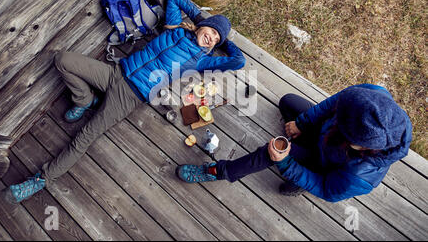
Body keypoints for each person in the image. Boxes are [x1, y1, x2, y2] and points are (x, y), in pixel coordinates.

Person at [5, 0, 246, 203]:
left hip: (130, 95)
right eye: (212, 31)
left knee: (85, 136)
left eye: (216, 40)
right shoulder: (174, 27)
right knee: (63, 60)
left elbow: (239, 61)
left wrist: (224, 40)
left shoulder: (200, 60)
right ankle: (85, 100)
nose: (212, 38)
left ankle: (41, 180)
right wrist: (202, 21)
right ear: (203, 25)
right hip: (115, 73)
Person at [176, 84, 412, 203]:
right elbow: (332, 105)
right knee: (288, 102)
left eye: (341, 123)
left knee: (268, 153)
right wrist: (302, 123)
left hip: (323, 166)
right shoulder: (371, 95)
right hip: (324, 137)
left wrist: (287, 163)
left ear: (359, 146)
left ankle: (219, 171)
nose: (336, 116)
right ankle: (298, 142)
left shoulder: (360, 177)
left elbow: (327, 190)